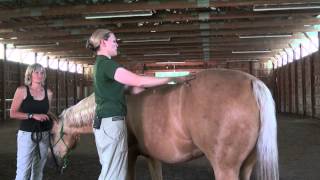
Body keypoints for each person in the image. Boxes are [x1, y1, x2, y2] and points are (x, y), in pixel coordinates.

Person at [86, 29, 191, 180]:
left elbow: (132, 88)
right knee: (113, 174)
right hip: (111, 122)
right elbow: (138, 80)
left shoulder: (99, 65)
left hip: (105, 122)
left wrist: (153, 89)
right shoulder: (107, 65)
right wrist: (172, 79)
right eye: (114, 41)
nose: (117, 44)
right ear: (103, 42)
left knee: (111, 170)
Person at [10, 63, 53, 180]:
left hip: (44, 134)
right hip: (26, 135)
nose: (40, 75)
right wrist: (32, 115)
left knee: (38, 171)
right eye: (36, 72)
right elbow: (13, 113)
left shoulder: (48, 93)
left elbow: (47, 112)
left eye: (42, 72)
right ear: (30, 75)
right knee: (23, 171)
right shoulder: (22, 90)